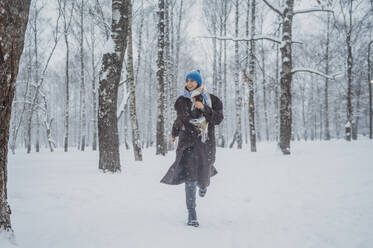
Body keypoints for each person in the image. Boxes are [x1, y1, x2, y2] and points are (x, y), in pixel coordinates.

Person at [160, 69, 224, 227]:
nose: (188, 83)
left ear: (199, 82)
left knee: (203, 175)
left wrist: (203, 108)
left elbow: (218, 119)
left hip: (205, 143)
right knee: (190, 178)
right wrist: (174, 133)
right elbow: (180, 119)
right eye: (187, 80)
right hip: (187, 143)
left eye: (192, 81)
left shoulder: (211, 99)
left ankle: (203, 185)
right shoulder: (182, 100)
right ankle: (192, 214)